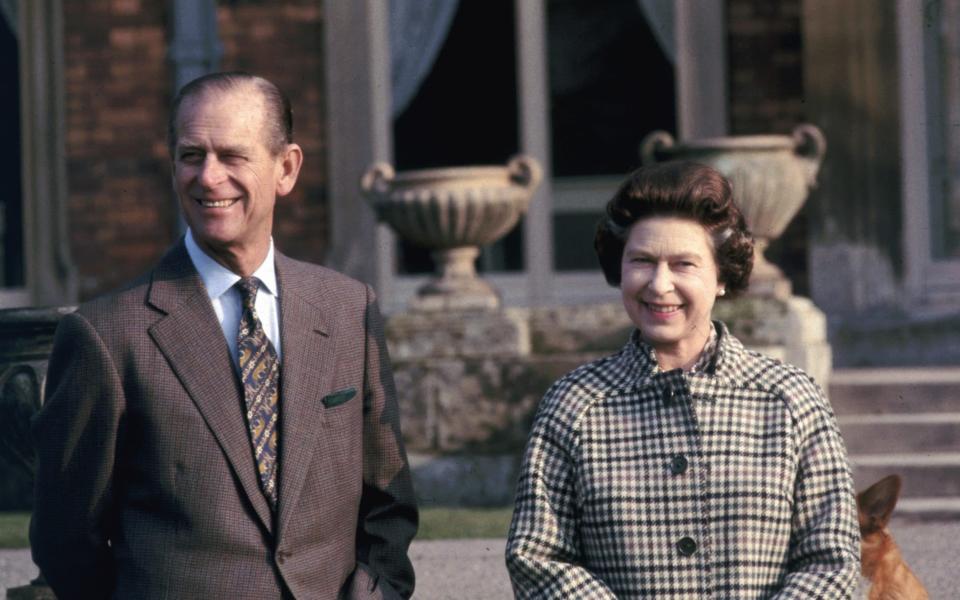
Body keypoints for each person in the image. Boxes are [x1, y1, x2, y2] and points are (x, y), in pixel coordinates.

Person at [30, 72, 418, 599]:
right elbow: (66, 539)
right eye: (192, 156)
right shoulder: (107, 336)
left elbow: (389, 504)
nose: (209, 178)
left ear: (287, 168)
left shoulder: (350, 309)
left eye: (232, 156)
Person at [505, 161, 860, 598]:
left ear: (722, 277)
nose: (660, 284)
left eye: (683, 264)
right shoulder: (575, 404)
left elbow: (831, 559)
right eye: (642, 261)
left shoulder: (790, 399)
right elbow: (537, 557)